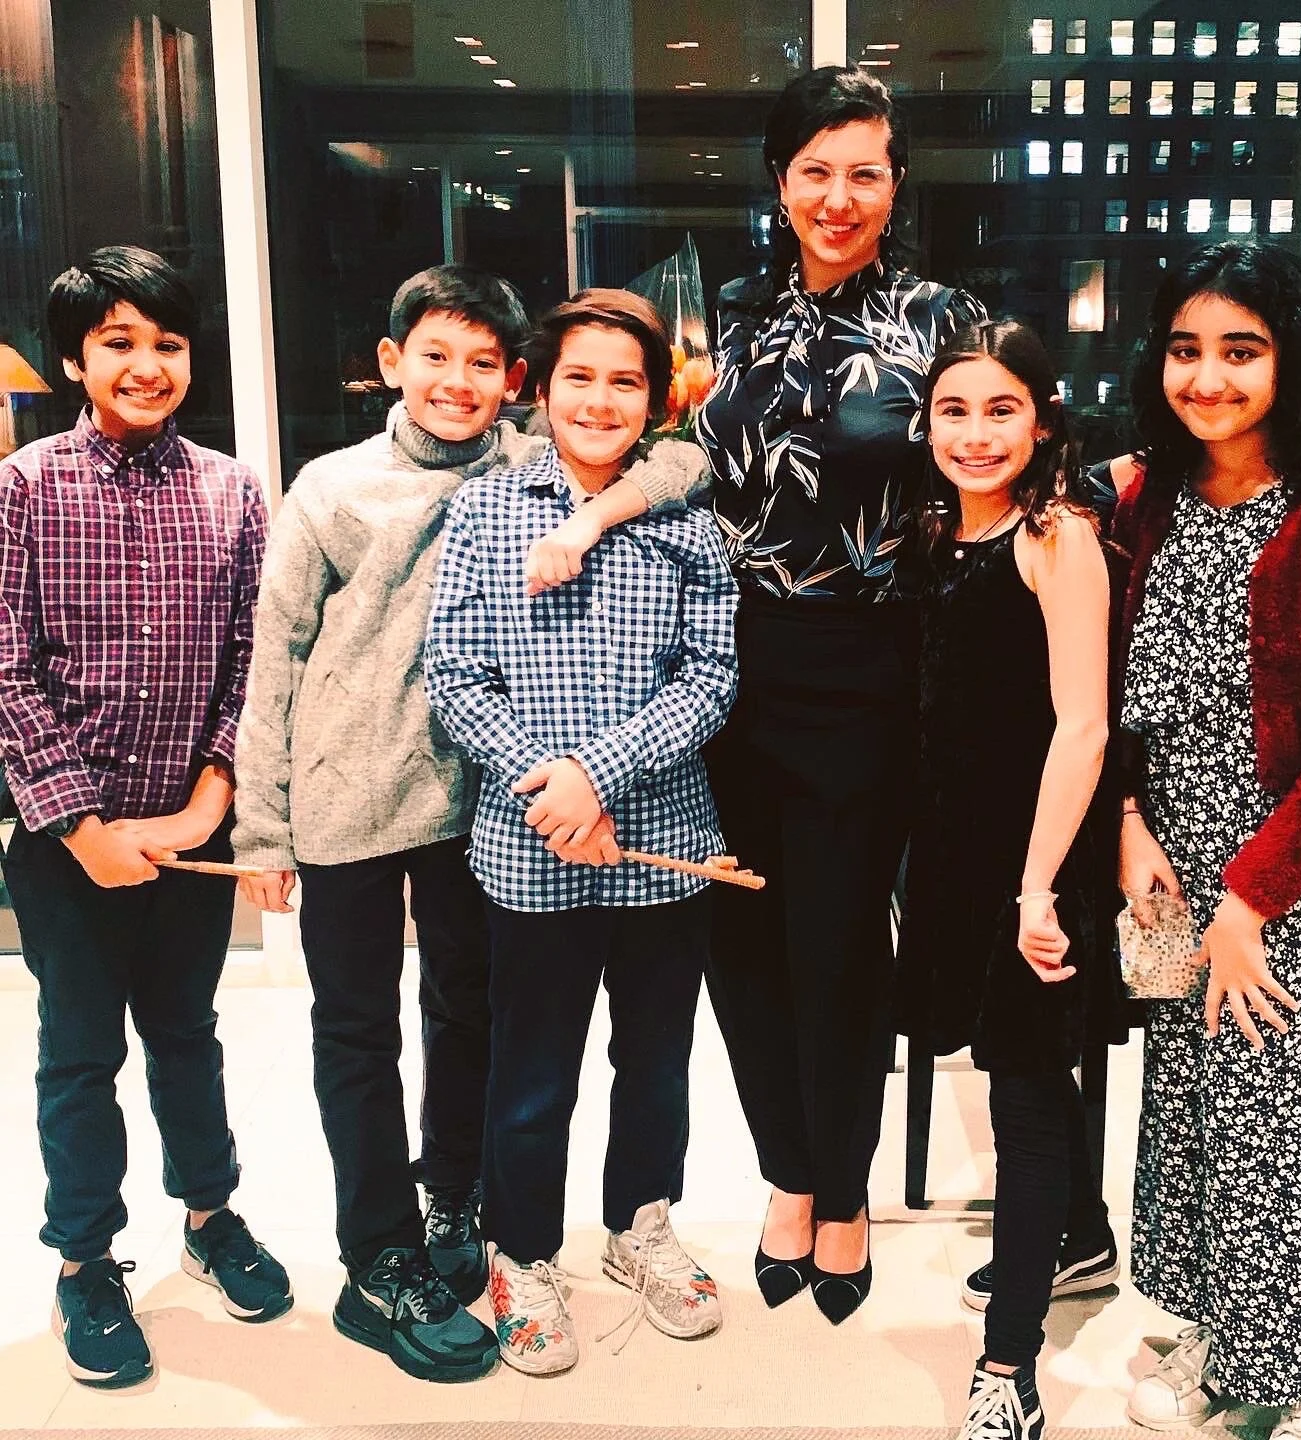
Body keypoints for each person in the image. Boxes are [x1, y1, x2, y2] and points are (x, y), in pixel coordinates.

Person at [232, 264, 705, 1382]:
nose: (458, 381)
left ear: (514, 380)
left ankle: (454, 1199)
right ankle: (378, 1254)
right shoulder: (332, 487)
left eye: (483, 363)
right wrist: (262, 828)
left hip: (472, 805)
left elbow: (679, 461)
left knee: (469, 1018)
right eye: (435, 357)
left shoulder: (526, 466)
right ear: (391, 363)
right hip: (349, 799)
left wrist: (598, 511)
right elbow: (274, 657)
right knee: (357, 1033)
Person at [695, 63, 984, 1322]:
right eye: (816, 170)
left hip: (874, 664)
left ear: (896, 184)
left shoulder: (943, 320)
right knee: (741, 936)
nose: (839, 195)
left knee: (839, 941)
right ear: (780, 182)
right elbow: (695, 476)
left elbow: (1002, 457)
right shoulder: (733, 319)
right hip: (733, 664)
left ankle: (847, 1188)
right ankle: (788, 1173)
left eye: (865, 171)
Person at [1115, 242, 1301, 1439]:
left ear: (1292, 359)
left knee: (1268, 1124)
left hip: (1287, 871)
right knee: (1187, 1109)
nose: (1209, 377)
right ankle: (1218, 1335)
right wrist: (1129, 823)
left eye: (1242, 350)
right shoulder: (1148, 496)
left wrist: (1249, 903)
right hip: (1167, 858)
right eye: (1186, 350)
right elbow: (1122, 694)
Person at [425, 288, 737, 1376]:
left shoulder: (689, 523)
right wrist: (547, 786)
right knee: (532, 1071)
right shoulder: (485, 511)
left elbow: (711, 679)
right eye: (579, 378)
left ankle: (640, 1226)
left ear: (656, 401)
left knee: (655, 1061)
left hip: (666, 847)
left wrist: (596, 775)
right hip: (528, 849)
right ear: (541, 389)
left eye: (625, 382)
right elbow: (455, 676)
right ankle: (523, 1254)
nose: (600, 401)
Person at [0, 246, 291, 1389]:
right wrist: (84, 830)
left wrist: (209, 802)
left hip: (190, 830)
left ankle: (210, 1218)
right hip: (63, 842)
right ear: (76, 359)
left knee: (186, 1034)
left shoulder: (232, 490)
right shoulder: (24, 489)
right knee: (79, 1053)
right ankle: (85, 1261)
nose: (147, 364)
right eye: (118, 342)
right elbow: (5, 670)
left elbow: (252, 660)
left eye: (167, 343)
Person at [897, 320, 1118, 1438]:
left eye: (1001, 410)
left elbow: (1084, 726)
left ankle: (1007, 1366)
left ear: (1042, 421)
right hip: (952, 853)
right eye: (955, 410)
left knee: (1024, 1099)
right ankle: (1083, 1239)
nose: (976, 434)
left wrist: (1037, 892)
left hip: (1035, 858)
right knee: (1010, 1065)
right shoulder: (939, 530)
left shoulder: (1055, 535)